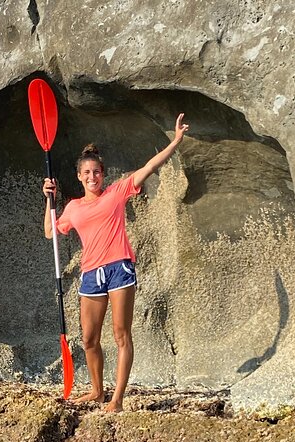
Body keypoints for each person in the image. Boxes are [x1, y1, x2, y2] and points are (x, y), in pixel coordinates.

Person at [42, 113, 189, 412]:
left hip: (119, 268)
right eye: (87, 173)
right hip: (91, 274)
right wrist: (49, 199)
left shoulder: (116, 192)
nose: (92, 177)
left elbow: (150, 166)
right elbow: (49, 232)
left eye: (97, 172)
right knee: (89, 338)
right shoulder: (72, 207)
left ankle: (117, 399)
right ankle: (97, 391)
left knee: (121, 334)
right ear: (79, 176)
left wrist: (175, 141)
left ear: (103, 174)